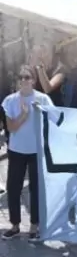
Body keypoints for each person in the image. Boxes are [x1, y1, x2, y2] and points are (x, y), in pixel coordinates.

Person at [1, 65, 54, 241]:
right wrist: (24, 115)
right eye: (21, 77)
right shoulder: (10, 100)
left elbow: (53, 121)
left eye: (27, 77)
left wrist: (41, 114)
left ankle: (34, 226)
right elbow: (11, 128)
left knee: (36, 189)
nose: (24, 81)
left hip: (36, 151)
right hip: (16, 151)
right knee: (13, 188)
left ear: (33, 80)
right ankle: (15, 225)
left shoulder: (43, 99)